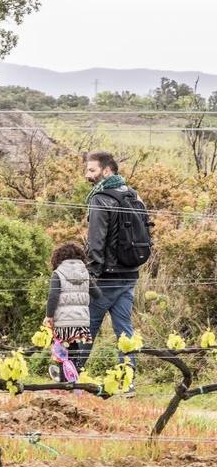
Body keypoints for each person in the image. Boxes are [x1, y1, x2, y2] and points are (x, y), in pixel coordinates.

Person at [81, 151, 150, 394]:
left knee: (86, 328)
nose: (87, 175)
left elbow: (96, 241)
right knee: (124, 330)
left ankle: (72, 379)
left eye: (92, 170)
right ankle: (128, 381)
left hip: (106, 277)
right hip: (130, 274)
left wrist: (92, 275)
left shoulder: (100, 198)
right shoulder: (134, 194)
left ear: (107, 170)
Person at [43, 242, 101, 382]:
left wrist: (49, 316)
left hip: (63, 323)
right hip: (81, 322)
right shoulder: (85, 273)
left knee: (62, 353)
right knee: (74, 350)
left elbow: (53, 296)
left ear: (58, 258)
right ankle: (74, 376)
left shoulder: (58, 273)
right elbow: (97, 294)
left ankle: (65, 382)